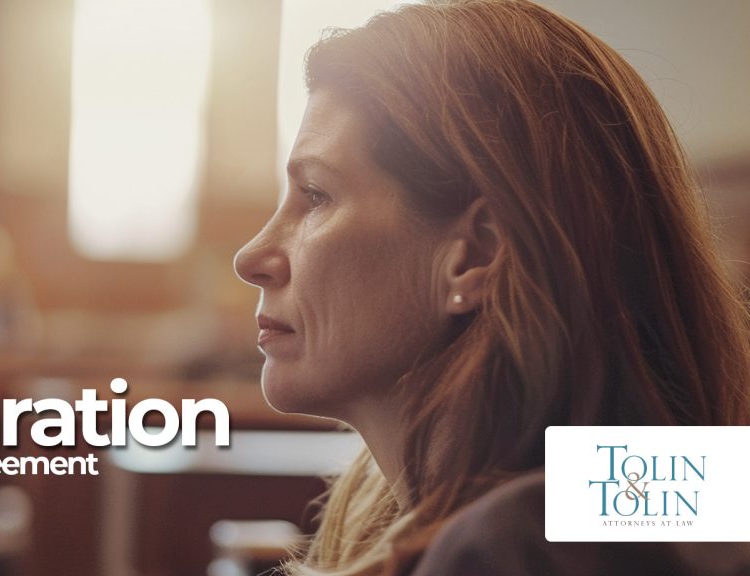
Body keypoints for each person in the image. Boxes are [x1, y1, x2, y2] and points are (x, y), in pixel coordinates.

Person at [233, 1, 750, 575]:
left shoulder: (514, 549)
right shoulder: (684, 495)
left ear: (477, 253)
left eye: (315, 196)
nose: (252, 257)